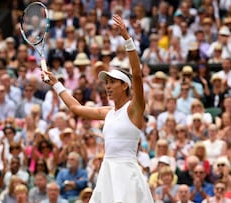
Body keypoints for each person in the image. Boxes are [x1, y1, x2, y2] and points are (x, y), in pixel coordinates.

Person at [42, 15, 153, 203]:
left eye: (112, 83)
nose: (107, 86)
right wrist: (56, 84)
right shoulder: (107, 112)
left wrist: (127, 39)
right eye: (106, 83)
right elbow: (75, 107)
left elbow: (136, 74)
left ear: (125, 86)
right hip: (107, 172)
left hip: (127, 173)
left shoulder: (135, 108)